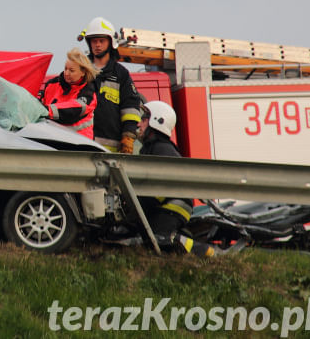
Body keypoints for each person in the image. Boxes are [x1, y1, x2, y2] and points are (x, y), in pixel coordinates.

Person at [138, 101, 241, 256]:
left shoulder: (162, 148)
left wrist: (143, 202)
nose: (139, 123)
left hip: (173, 204)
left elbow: (164, 185)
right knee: (148, 239)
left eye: (144, 119)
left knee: (161, 238)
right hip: (165, 203)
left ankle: (208, 252)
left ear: (156, 121)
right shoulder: (151, 147)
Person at [78, 17, 142, 153]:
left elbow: (130, 107)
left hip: (111, 151)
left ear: (111, 42)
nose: (97, 45)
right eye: (94, 41)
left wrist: (128, 136)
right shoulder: (80, 70)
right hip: (82, 145)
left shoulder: (121, 74)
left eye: (102, 41)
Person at [39, 48, 98, 138]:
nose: (66, 73)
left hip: (79, 144)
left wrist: (46, 110)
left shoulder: (88, 93)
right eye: (65, 69)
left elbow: (74, 109)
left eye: (71, 70)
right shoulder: (52, 84)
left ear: (83, 72)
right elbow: (38, 102)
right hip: (52, 139)